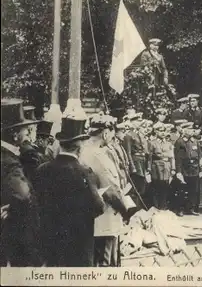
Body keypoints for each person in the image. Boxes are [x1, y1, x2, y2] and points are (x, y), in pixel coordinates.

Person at [33, 110, 105, 267]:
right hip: (77, 244)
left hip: (49, 243)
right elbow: (98, 207)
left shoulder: (42, 169)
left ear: (61, 144)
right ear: (79, 149)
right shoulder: (84, 172)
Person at [80, 113, 129, 267]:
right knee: (106, 263)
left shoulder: (85, 151)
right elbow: (110, 190)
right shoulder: (97, 155)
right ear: (105, 133)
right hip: (106, 217)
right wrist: (125, 209)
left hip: (96, 217)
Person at [1, 99, 43, 266]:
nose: (27, 134)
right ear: (15, 135)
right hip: (17, 236)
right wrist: (15, 206)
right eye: (25, 130)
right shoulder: (10, 161)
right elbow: (24, 195)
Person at [174, 122, 202, 216]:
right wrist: (178, 172)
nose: (191, 131)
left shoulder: (195, 141)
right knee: (182, 190)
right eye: (189, 129)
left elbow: (200, 156)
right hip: (184, 169)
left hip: (194, 169)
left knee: (193, 191)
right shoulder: (179, 142)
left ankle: (191, 208)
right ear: (184, 130)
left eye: (192, 130)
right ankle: (180, 209)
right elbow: (177, 158)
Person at [123, 112, 150, 209]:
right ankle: (134, 210)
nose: (140, 123)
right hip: (135, 163)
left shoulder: (139, 134)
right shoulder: (128, 135)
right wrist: (132, 167)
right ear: (132, 122)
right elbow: (128, 152)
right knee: (135, 189)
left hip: (141, 162)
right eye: (138, 121)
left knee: (141, 188)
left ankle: (139, 209)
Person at [149, 123, 176, 211]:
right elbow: (149, 158)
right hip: (156, 167)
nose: (163, 133)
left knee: (165, 187)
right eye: (160, 131)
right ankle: (156, 207)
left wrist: (173, 168)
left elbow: (172, 157)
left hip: (166, 167)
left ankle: (163, 207)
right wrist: (148, 169)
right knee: (156, 187)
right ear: (156, 132)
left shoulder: (169, 143)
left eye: (164, 131)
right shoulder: (152, 143)